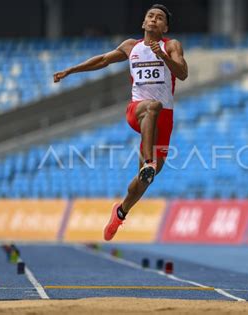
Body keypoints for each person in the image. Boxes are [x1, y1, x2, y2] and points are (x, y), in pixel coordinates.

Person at [53, 4, 188, 241]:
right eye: (150, 16)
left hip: (164, 119)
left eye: (159, 18)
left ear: (165, 26)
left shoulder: (172, 45)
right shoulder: (131, 46)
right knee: (151, 107)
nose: (154, 20)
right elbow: (103, 60)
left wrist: (163, 56)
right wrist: (71, 70)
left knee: (145, 181)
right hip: (137, 110)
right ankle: (148, 161)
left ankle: (121, 212)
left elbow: (183, 73)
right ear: (143, 23)